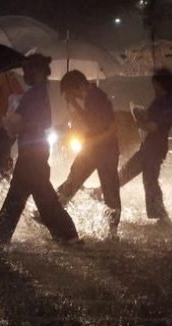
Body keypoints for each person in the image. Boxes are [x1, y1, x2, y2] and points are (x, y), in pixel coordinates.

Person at [0, 54, 80, 244]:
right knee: (29, 190)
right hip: (33, 149)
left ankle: (66, 233)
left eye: (27, 71)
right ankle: (2, 230)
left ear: (36, 71)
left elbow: (39, 122)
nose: (24, 75)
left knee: (33, 191)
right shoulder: (38, 93)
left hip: (32, 150)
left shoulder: (34, 95)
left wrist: (14, 124)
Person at [56, 70, 121, 240]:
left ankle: (112, 232)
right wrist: (76, 105)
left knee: (108, 190)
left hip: (103, 149)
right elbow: (91, 121)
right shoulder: (92, 97)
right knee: (75, 180)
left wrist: (93, 143)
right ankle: (51, 214)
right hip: (97, 148)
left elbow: (111, 127)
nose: (69, 96)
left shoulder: (96, 98)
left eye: (69, 92)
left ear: (77, 86)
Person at [118, 68, 172, 227]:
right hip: (151, 147)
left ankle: (163, 216)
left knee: (145, 178)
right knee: (145, 178)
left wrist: (138, 122)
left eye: (156, 85)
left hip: (155, 147)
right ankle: (162, 215)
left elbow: (155, 126)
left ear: (162, 84)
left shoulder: (168, 103)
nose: (154, 88)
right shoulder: (162, 102)